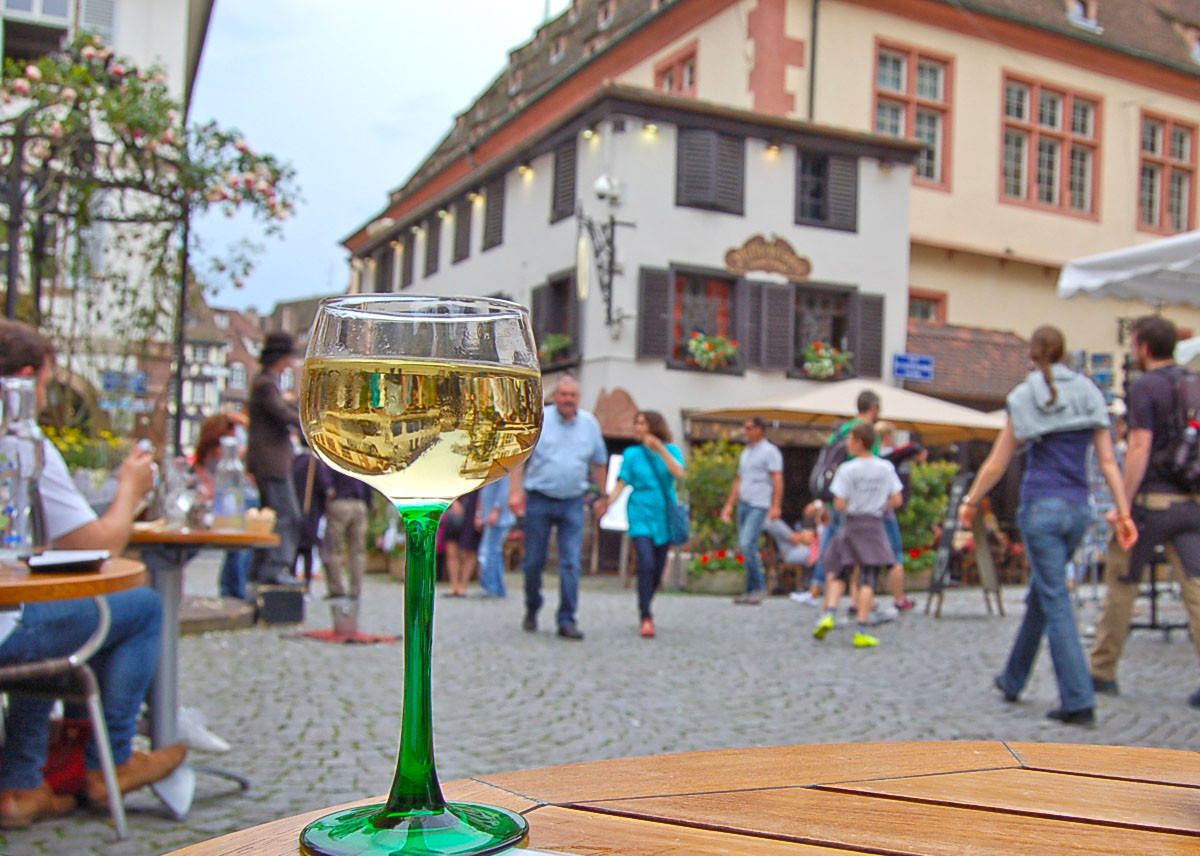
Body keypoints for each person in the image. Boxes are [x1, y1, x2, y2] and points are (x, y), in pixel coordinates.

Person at [0, 319, 187, 827]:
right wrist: (129, 489)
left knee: (59, 613)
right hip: (6, 627)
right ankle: (110, 763)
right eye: (44, 385)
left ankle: (26, 778)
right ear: (23, 380)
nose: (44, 399)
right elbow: (95, 546)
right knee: (140, 607)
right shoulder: (21, 443)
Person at [961, 325, 1136, 726]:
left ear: (1032, 356)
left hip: (1041, 508)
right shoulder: (1089, 392)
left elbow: (997, 463)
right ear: (1064, 353)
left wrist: (970, 503)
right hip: (1078, 510)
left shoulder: (1025, 396)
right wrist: (1123, 512)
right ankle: (1013, 678)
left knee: (1055, 598)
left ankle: (1078, 699)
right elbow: (1108, 462)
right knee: (1045, 590)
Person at [1089, 316, 1200, 708]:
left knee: (1122, 582)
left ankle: (1102, 670)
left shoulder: (1145, 386)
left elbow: (1139, 446)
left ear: (1142, 346)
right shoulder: (1194, 382)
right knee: (1196, 589)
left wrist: (1124, 503)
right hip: (1191, 502)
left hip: (1151, 503)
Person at [509, 375, 608, 640]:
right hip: (539, 499)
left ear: (579, 398)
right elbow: (520, 459)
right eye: (563, 395)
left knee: (571, 562)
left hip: (573, 501)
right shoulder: (539, 421)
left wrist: (603, 496)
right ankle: (532, 607)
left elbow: (599, 462)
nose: (567, 400)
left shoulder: (589, 424)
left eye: (572, 395)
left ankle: (567, 619)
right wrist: (515, 493)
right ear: (555, 397)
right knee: (534, 561)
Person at [811, 422, 903, 648]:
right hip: (874, 525)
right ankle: (861, 629)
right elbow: (897, 499)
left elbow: (839, 503)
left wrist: (852, 506)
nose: (847, 444)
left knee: (840, 571)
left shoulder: (847, 469)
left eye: (850, 440)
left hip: (852, 524)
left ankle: (830, 613)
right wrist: (879, 504)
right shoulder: (885, 467)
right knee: (868, 578)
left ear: (859, 442)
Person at [606, 410, 686, 638]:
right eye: (636, 423)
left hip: (664, 514)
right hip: (640, 511)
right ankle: (646, 615)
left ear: (654, 426)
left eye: (642, 423)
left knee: (658, 569)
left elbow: (679, 472)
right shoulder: (632, 453)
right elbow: (622, 482)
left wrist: (660, 448)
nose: (637, 427)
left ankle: (646, 601)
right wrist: (607, 503)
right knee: (646, 563)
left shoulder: (671, 451)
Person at [806, 391, 881, 603]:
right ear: (873, 408)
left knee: (830, 544)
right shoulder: (867, 433)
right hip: (854, 501)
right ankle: (860, 600)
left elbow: (828, 464)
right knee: (858, 552)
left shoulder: (841, 430)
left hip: (834, 496)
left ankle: (818, 587)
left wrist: (824, 502)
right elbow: (871, 465)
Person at [248, 331, 303, 586]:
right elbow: (283, 412)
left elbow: (286, 408)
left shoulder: (268, 382)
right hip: (271, 463)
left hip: (272, 462)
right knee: (286, 516)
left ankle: (262, 569)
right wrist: (307, 420)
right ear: (281, 358)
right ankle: (275, 568)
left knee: (270, 518)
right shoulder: (265, 384)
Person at [720, 416, 783, 605]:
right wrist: (729, 505)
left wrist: (776, 505)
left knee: (747, 543)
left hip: (759, 503)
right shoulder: (746, 452)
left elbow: (777, 478)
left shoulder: (770, 451)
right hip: (744, 503)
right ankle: (750, 590)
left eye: (749, 428)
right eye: (744, 428)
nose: (745, 431)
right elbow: (739, 480)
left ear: (759, 429)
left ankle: (759, 588)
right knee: (746, 546)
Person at [194, 413, 256, 600]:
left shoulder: (207, 452)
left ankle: (230, 588)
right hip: (232, 502)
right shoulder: (225, 453)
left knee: (237, 550)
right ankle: (235, 590)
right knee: (239, 548)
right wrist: (246, 423)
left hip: (230, 500)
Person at [876, 421, 924, 612]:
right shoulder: (889, 459)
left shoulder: (867, 459)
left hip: (865, 517)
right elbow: (912, 447)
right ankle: (899, 598)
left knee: (863, 559)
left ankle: (859, 601)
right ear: (888, 436)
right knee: (895, 556)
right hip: (886, 513)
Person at [322, 465, 372, 599]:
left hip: (339, 503)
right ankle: (356, 589)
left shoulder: (334, 459)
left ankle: (337, 588)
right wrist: (368, 505)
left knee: (334, 549)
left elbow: (325, 482)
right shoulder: (359, 460)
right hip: (359, 504)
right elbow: (368, 484)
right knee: (358, 551)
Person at [476, 474, 515, 598]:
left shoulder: (503, 471)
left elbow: (505, 490)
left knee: (490, 552)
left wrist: (496, 511)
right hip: (492, 516)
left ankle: (491, 587)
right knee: (495, 551)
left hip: (499, 518)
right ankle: (498, 587)